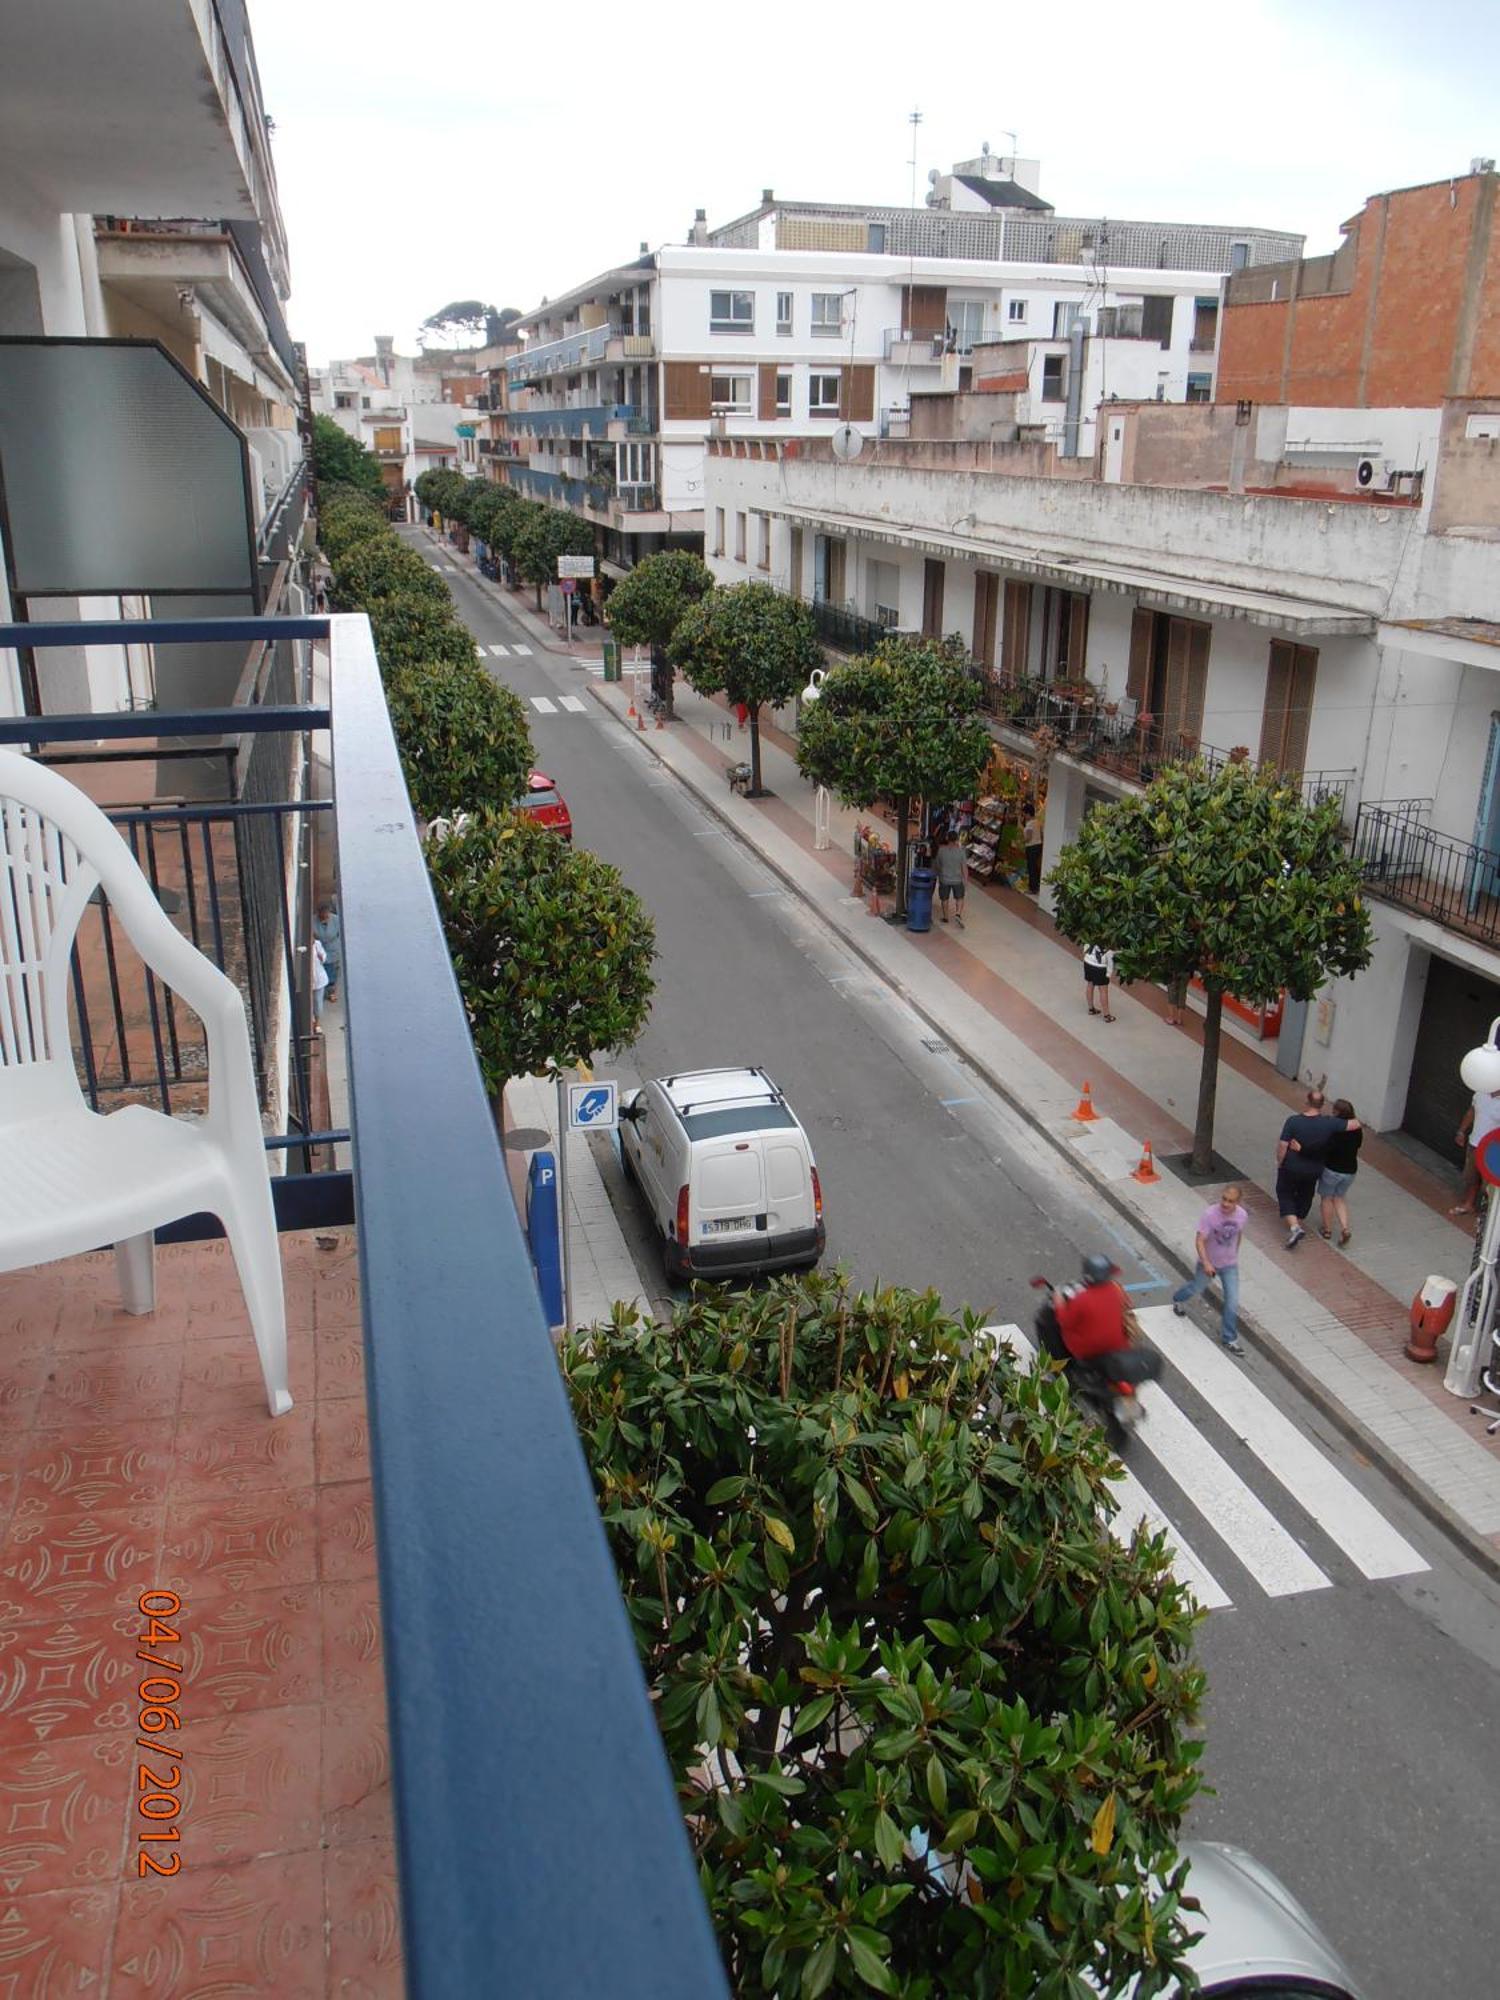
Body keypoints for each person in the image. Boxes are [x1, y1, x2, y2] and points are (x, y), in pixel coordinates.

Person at [1275, 1087, 1361, 1249]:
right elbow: (1355, 1124)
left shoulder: (1293, 1121)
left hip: (1292, 1166)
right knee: (1306, 1194)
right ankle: (1299, 1217)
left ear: (1307, 1102)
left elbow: (1282, 1145)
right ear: (1322, 1105)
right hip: (1315, 1169)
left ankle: (1295, 1227)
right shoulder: (1330, 1123)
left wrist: (1280, 1162)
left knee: (1285, 1192)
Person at [1172, 1185, 1248, 1354]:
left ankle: (1229, 1338)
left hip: (1229, 1265)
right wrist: (1206, 1263)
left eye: (1230, 1201)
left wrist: (1234, 1253)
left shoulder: (1242, 1215)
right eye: (1224, 1199)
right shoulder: (1210, 1214)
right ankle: (1178, 1298)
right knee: (1196, 1288)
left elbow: (1239, 1233)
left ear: (1238, 1202)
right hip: (1209, 1264)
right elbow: (1200, 1240)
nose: (1226, 1204)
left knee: (1232, 1301)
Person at [1451, 1083, 1500, 1216]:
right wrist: (1461, 1131)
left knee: (1489, 1185)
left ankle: (1489, 1214)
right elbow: (1472, 1112)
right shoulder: (1481, 1094)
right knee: (1471, 1177)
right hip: (1474, 1143)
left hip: (1493, 1150)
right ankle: (1469, 1204)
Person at [1317, 1100, 1361, 1246]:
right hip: (1350, 1170)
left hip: (1332, 1169)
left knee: (1327, 1198)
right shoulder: (1356, 1129)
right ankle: (1345, 1228)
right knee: (1340, 1199)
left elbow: (1326, 1146)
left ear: (1337, 1112)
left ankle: (1327, 1229)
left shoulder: (1335, 1129)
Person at [934, 830, 967, 928]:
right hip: (957, 879)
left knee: (944, 898)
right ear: (957, 839)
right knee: (960, 897)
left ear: (947, 838)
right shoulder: (961, 852)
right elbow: (964, 867)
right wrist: (965, 879)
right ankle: (958, 914)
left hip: (944, 878)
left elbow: (937, 865)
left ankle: (945, 917)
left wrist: (939, 874)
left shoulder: (941, 850)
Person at [314, 900, 342, 1004]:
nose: (325, 915)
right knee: (324, 970)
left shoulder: (336, 920)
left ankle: (332, 992)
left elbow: (341, 933)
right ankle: (323, 990)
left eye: (327, 912)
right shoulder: (313, 921)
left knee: (333, 972)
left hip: (334, 950)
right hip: (321, 950)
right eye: (322, 913)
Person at [1082, 942, 1115, 1021]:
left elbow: (1085, 948)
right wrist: (1108, 975)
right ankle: (1107, 1015)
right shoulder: (1109, 948)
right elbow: (1110, 964)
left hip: (1088, 962)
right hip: (1100, 968)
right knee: (1103, 991)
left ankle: (1091, 1008)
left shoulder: (1092, 938)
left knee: (1090, 984)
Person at [310, 933, 329, 1034]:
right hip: (310, 980)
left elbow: (324, 956)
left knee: (318, 1002)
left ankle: (317, 1023)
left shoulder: (317, 944)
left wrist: (321, 956)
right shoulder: (304, 948)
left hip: (319, 978)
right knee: (310, 1002)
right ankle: (311, 1020)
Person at [1023, 806, 1044, 895]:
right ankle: (1037, 885)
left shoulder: (1030, 824)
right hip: (1038, 845)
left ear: (1028, 813)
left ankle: (1032, 888)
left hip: (1031, 847)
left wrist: (1021, 841)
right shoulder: (1037, 822)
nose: (1024, 816)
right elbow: (1041, 834)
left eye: (1024, 814)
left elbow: (1028, 837)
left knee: (1031, 867)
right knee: (1035, 867)